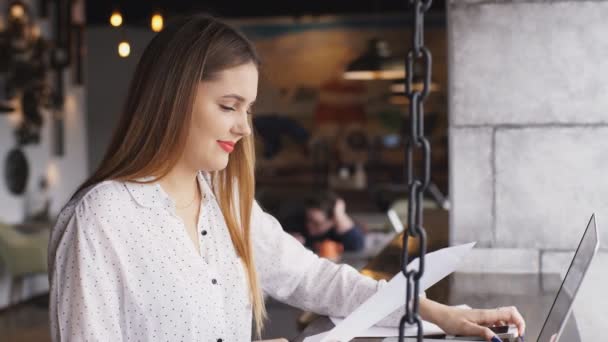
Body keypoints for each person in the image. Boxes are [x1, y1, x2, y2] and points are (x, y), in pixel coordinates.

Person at [47, 15, 525, 342]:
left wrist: (436, 313)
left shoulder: (223, 200)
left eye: (248, 109)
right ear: (171, 98)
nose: (244, 126)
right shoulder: (103, 220)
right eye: (228, 106)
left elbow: (314, 278)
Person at [289, 192, 365, 253]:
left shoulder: (338, 233)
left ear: (332, 220)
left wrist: (339, 215)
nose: (309, 226)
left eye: (316, 223)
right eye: (308, 220)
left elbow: (356, 246)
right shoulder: (298, 223)